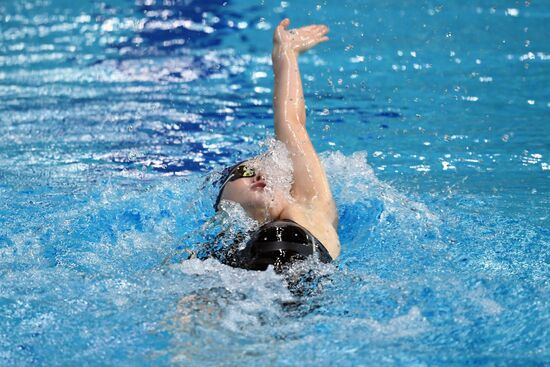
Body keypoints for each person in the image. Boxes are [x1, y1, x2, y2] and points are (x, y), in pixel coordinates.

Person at [209, 18, 340, 271]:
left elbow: (292, 122)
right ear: (221, 202)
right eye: (244, 171)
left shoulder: (310, 205)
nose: (259, 174)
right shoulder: (212, 255)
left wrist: (286, 53)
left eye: (270, 171)